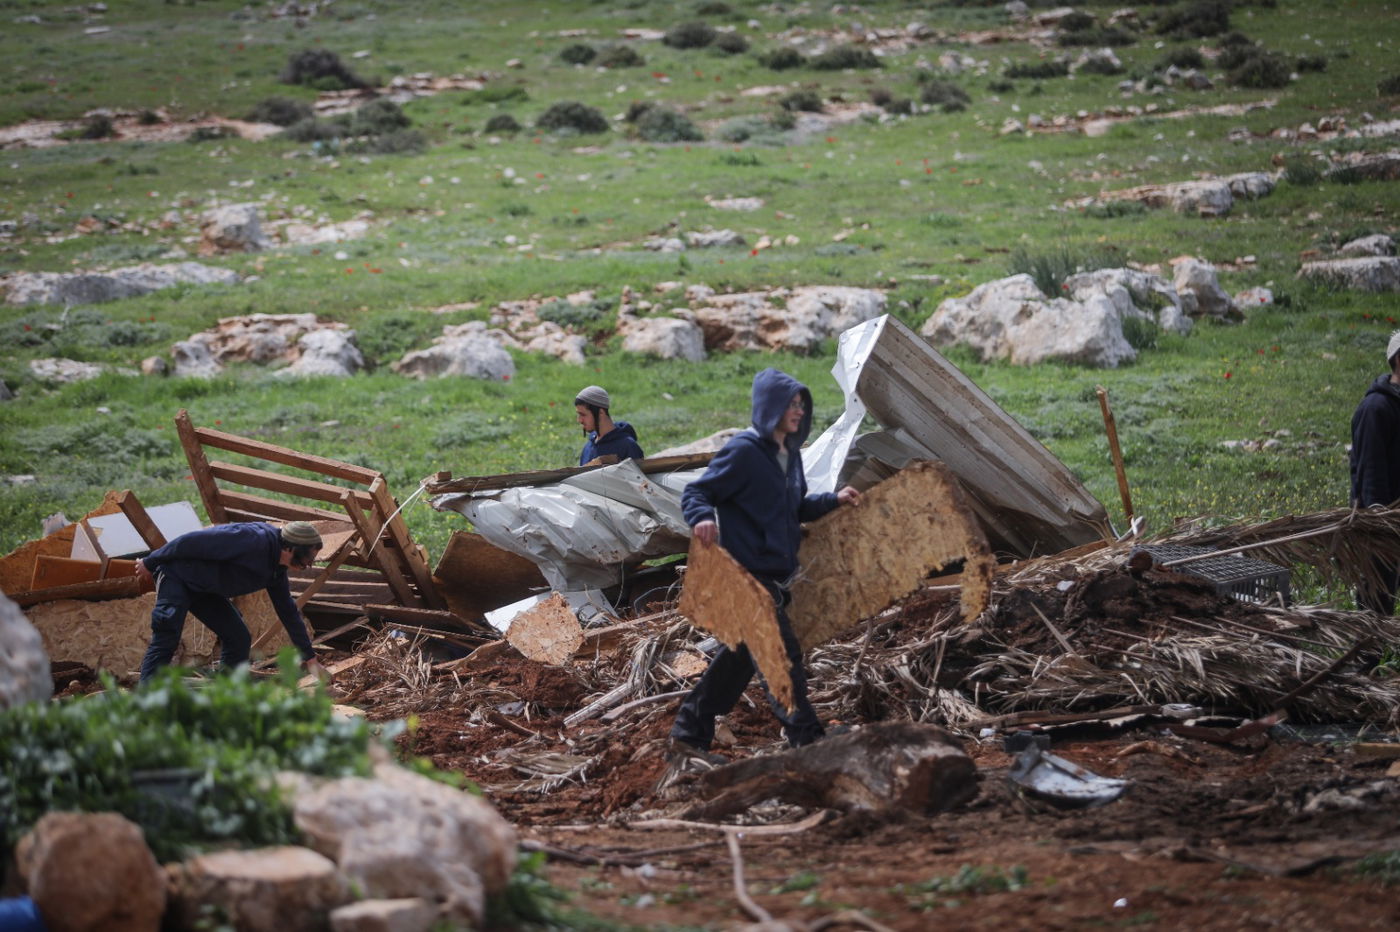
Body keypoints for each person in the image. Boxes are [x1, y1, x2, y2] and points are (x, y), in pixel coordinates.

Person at [669, 367, 861, 768]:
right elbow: (698, 491)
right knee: (781, 659)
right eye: (791, 404)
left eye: (801, 404)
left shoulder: (789, 457)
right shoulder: (744, 452)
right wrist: (701, 517)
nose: (798, 411)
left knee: (735, 664)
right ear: (770, 407)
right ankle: (807, 741)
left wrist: (834, 500)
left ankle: (687, 735)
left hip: (774, 578)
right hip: (745, 578)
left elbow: (796, 509)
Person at [135, 521, 326, 682]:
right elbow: (189, 541)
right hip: (177, 575)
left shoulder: (277, 571)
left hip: (206, 589)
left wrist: (310, 658)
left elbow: (288, 612)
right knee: (167, 633)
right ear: (289, 548)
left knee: (238, 637)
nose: (307, 565)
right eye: (306, 559)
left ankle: (225, 692)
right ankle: (146, 699)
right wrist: (150, 561)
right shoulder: (251, 540)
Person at [1350, 330, 1400, 614]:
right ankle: (1368, 642)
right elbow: (1371, 472)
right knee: (1376, 605)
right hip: (1381, 525)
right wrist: (1379, 523)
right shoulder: (1376, 409)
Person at [574, 384, 644, 466]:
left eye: (583, 415)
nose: (579, 420)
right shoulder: (588, 448)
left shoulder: (627, 446)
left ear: (601, 412)